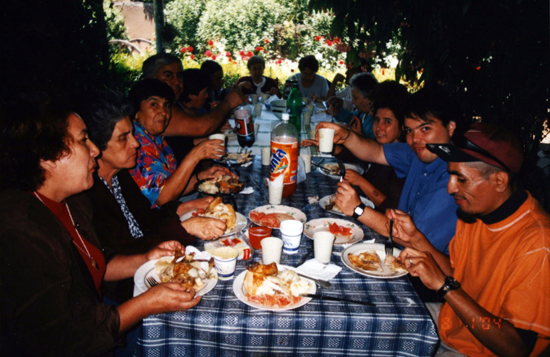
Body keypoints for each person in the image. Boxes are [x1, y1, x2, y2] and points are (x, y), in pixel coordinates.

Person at [0, 96, 201, 356]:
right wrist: (145, 304)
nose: (95, 149)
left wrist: (145, 257)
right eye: (84, 140)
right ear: (48, 156)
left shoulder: (74, 203)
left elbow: (95, 264)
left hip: (99, 317)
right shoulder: (22, 234)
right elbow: (62, 338)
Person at [389, 123, 550, 356]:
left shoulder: (538, 245)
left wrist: (444, 287)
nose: (449, 188)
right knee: (378, 320)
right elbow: (458, 276)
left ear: (499, 181)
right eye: (450, 175)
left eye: (461, 179)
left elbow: (515, 348)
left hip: (477, 350)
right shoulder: (474, 214)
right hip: (451, 323)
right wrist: (417, 240)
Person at [315, 87, 460, 255]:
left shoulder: (455, 181)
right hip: (393, 248)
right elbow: (375, 151)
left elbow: (415, 242)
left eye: (425, 129)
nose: (415, 139)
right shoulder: (419, 154)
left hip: (418, 267)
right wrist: (346, 136)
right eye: (410, 131)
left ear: (450, 127)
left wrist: (358, 209)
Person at [128, 79, 232, 208]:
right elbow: (162, 198)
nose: (163, 112)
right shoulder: (136, 143)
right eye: (154, 104)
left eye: (166, 105)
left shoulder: (155, 138)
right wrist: (195, 155)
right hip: (153, 221)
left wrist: (203, 176)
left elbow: (172, 187)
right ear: (136, 112)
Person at [141, 53, 243, 138]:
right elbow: (201, 126)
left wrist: (218, 121)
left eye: (179, 76)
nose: (177, 81)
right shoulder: (155, 110)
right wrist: (228, 103)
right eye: (169, 76)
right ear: (151, 78)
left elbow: (200, 118)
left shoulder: (176, 104)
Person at [327, 73, 378, 139]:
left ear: (369, 98)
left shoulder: (375, 123)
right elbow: (351, 117)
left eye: (355, 98)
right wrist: (338, 112)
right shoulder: (361, 113)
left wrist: (359, 136)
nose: (353, 101)